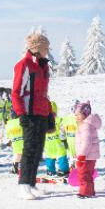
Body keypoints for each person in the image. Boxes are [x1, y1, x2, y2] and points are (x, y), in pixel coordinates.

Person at [13, 31, 54, 200]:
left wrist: (49, 112)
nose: (48, 50)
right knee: (29, 150)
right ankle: (23, 185)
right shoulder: (24, 65)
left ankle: (31, 183)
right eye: (46, 48)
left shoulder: (42, 65)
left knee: (38, 150)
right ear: (38, 48)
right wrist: (21, 114)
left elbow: (43, 93)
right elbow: (16, 92)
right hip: (30, 114)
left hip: (41, 113)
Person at [74, 101, 101, 199]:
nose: (76, 117)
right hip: (89, 155)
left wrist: (81, 155)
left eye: (78, 115)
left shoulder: (86, 126)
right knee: (87, 174)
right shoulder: (86, 125)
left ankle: (85, 192)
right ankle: (90, 191)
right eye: (75, 115)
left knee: (83, 174)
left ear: (85, 114)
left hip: (86, 155)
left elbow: (87, 142)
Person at [44, 101, 68, 177]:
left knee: (57, 158)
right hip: (53, 144)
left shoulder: (57, 120)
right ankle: (56, 170)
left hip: (54, 144)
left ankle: (57, 170)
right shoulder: (44, 122)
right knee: (54, 158)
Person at [59, 100, 80, 169]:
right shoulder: (66, 118)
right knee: (72, 157)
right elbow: (62, 129)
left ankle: (79, 170)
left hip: (79, 143)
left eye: (76, 108)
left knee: (78, 157)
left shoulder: (80, 118)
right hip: (70, 142)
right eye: (73, 108)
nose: (74, 109)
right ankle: (73, 170)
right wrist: (63, 139)